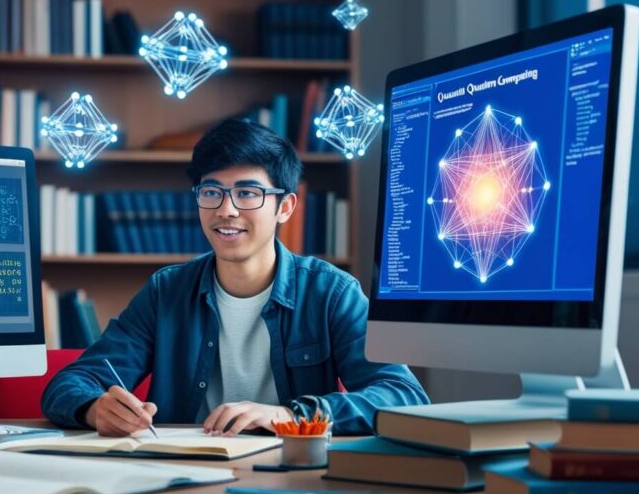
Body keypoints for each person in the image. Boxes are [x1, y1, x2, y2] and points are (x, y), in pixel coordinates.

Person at [41, 118, 429, 437]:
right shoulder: (167, 291)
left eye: (247, 193)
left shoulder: (330, 292)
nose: (226, 210)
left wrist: (291, 416)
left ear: (285, 207)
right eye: (212, 192)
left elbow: (403, 396)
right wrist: (94, 408)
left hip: (291, 473)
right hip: (181, 471)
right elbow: (70, 384)